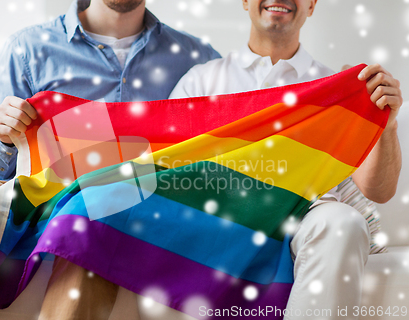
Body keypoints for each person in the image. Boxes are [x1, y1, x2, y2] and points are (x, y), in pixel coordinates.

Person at [0, 1, 220, 319]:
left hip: (129, 209)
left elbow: (219, 159)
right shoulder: (28, 47)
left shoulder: (198, 61)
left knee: (100, 204)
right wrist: (3, 137)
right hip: (33, 197)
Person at [169, 0, 403, 319]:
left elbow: (380, 191)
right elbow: (167, 175)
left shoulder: (340, 89)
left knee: (343, 223)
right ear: (245, 1)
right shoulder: (200, 84)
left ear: (312, 4)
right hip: (223, 221)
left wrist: (386, 126)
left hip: (308, 218)